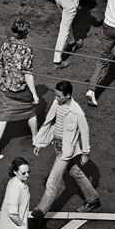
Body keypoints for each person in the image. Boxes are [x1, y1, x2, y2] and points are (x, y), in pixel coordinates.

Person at [31, 81, 101, 220]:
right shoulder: (57, 103)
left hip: (66, 150)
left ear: (68, 95)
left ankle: (40, 212)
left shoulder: (77, 112)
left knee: (52, 182)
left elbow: (84, 131)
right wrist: (39, 142)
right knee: (74, 171)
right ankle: (92, 199)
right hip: (58, 145)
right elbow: (50, 123)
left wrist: (85, 153)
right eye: (56, 95)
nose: (56, 99)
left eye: (59, 96)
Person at [0, 17, 40, 159]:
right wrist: (35, 95)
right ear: (26, 33)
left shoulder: (6, 44)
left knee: (3, 116)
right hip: (20, 89)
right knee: (30, 111)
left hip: (5, 87)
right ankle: (35, 137)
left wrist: (0, 80)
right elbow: (27, 73)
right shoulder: (27, 50)